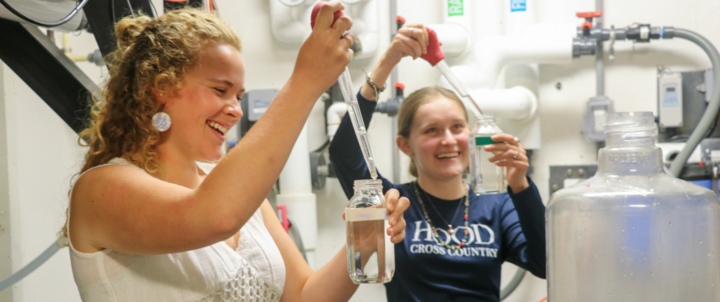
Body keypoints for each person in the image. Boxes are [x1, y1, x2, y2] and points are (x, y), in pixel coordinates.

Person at [61, 5, 409, 302]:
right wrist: (305, 81)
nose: (236, 110)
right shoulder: (101, 190)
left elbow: (305, 295)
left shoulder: (244, 198)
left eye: (238, 96)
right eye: (219, 90)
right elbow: (213, 217)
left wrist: (361, 243)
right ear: (162, 87)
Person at [329, 23, 546, 302]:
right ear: (405, 145)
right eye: (432, 130)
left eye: (457, 127)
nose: (448, 140)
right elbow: (345, 151)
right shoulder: (393, 203)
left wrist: (520, 185)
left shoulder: (498, 205)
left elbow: (543, 265)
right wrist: (387, 63)